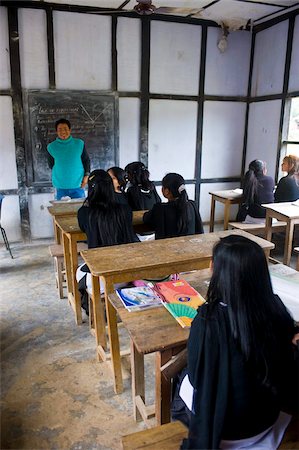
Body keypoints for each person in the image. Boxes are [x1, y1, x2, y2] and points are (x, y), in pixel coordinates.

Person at [176, 235, 298, 449]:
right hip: (266, 421)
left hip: (224, 432)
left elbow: (197, 377)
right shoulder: (275, 308)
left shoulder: (207, 321)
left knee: (182, 379)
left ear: (215, 269)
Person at [76, 169, 139, 313]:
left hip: (101, 279)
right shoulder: (125, 210)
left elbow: (84, 230)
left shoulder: (84, 213)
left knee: (79, 271)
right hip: (127, 273)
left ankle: (92, 310)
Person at [143, 173, 204, 239]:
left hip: (165, 248)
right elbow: (199, 230)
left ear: (166, 191)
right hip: (190, 247)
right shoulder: (192, 205)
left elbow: (146, 219)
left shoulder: (160, 209)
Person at [47, 118, 90, 200]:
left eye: (65, 129)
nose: (63, 132)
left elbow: (86, 160)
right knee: (61, 211)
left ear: (70, 130)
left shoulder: (79, 144)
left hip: (78, 184)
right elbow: (51, 164)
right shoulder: (51, 147)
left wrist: (86, 177)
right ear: (56, 131)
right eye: (60, 129)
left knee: (79, 210)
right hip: (60, 186)